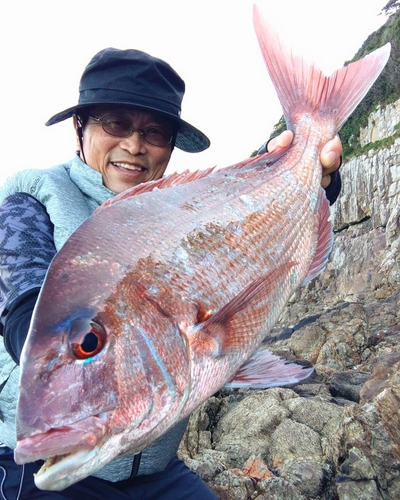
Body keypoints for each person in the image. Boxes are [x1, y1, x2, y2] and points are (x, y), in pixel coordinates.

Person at [0, 47, 342, 499]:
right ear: (79, 128)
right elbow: (22, 310)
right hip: (48, 465)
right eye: (115, 123)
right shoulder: (31, 200)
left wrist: (304, 174)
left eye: (155, 132)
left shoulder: (185, 207)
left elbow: (245, 221)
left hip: (157, 472)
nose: (135, 145)